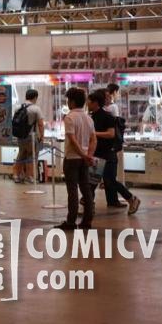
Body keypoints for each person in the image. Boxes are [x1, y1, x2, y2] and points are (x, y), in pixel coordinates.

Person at [89, 90, 139, 215]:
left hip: (108, 154)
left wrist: (94, 134)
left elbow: (111, 134)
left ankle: (131, 198)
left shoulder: (108, 116)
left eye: (89, 102)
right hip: (97, 153)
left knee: (110, 180)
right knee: (92, 181)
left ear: (96, 103)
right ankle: (88, 205)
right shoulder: (91, 117)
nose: (87, 104)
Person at [55, 87, 97, 231]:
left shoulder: (70, 117)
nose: (67, 103)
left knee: (72, 191)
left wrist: (83, 155)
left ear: (72, 102)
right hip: (84, 160)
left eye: (68, 100)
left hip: (72, 158)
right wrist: (88, 155)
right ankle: (87, 220)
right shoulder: (88, 118)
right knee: (86, 189)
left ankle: (71, 221)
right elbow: (93, 139)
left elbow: (72, 140)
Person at [12, 89, 45, 184]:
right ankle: (29, 176)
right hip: (31, 136)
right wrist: (42, 136)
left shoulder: (18, 107)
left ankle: (16, 175)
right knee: (31, 156)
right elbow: (40, 124)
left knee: (21, 155)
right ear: (35, 97)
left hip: (20, 136)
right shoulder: (36, 108)